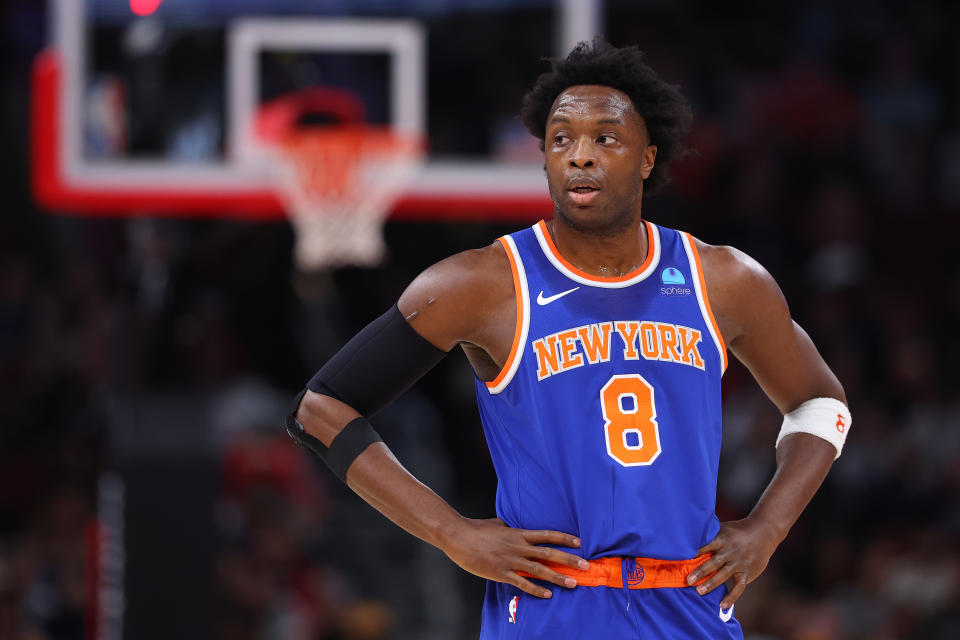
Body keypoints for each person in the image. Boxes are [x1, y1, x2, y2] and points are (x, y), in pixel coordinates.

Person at [285, 39, 850, 638]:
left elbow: (822, 405)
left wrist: (767, 528)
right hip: (554, 605)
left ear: (647, 158)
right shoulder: (482, 283)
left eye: (605, 138)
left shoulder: (724, 279)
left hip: (690, 604)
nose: (580, 156)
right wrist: (451, 532)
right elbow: (320, 408)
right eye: (561, 139)